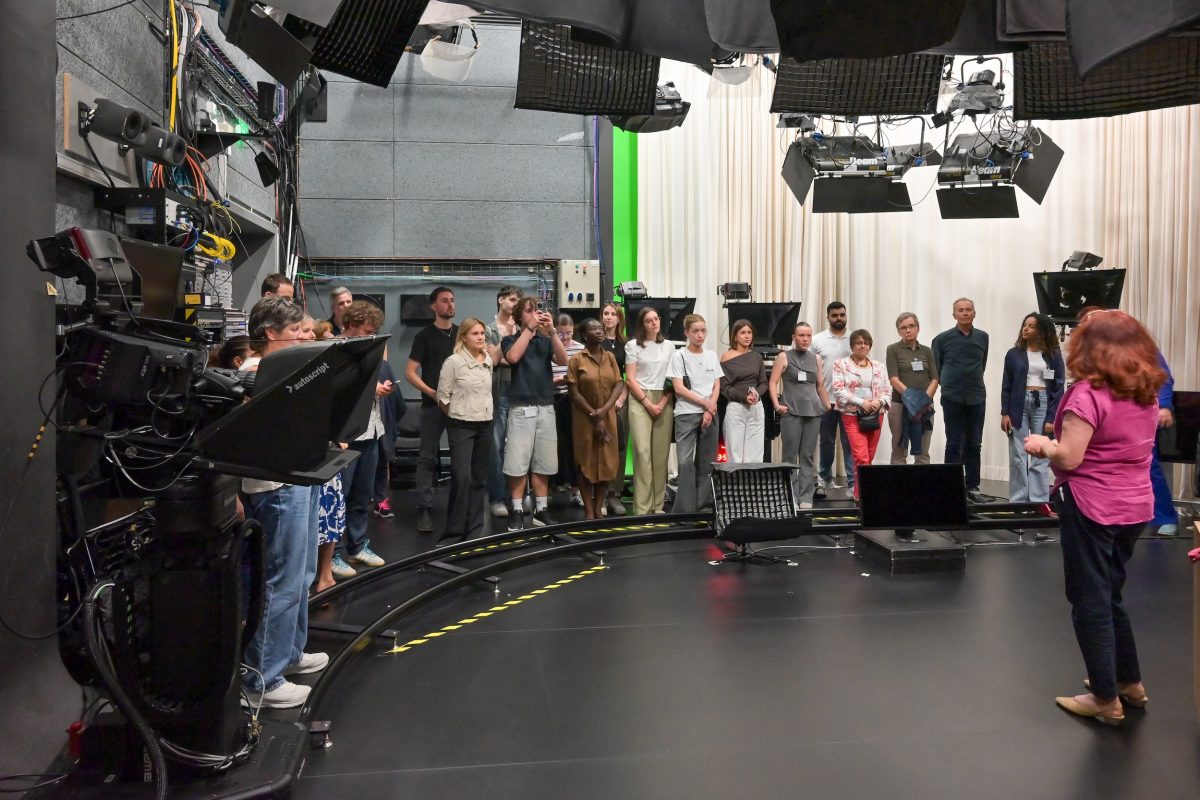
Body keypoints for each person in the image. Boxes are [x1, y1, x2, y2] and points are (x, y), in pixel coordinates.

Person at [1022, 309, 1165, 725]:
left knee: (1089, 601)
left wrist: (1042, 444)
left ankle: (1105, 699)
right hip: (1135, 506)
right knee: (1112, 593)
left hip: (1092, 506)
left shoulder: (1087, 394)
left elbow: (1070, 455)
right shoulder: (1145, 390)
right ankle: (1128, 683)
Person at [238, 297, 325, 708]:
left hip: (298, 477)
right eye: (294, 333)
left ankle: (288, 654)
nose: (302, 339)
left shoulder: (285, 370)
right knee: (281, 580)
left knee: (302, 573)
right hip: (274, 487)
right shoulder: (253, 374)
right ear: (269, 334)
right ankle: (262, 680)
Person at [331, 301, 391, 578]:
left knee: (362, 495)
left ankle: (356, 546)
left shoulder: (367, 349)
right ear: (351, 325)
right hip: (346, 435)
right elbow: (336, 391)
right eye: (367, 330)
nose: (371, 336)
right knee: (338, 497)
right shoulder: (334, 351)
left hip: (370, 429)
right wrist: (370, 390)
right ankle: (332, 554)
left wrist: (378, 389)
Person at [502, 297, 569, 530]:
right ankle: (518, 509)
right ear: (520, 316)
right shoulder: (510, 339)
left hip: (545, 406)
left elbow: (563, 360)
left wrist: (552, 332)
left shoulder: (544, 339)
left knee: (544, 460)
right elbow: (513, 357)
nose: (535, 314)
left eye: (537, 311)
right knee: (517, 462)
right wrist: (529, 329)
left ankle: (542, 508)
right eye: (529, 311)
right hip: (522, 407)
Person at [436, 318, 495, 544]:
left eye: (482, 333)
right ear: (464, 337)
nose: (481, 337)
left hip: (485, 423)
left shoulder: (488, 359)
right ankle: (453, 533)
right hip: (461, 425)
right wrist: (456, 415)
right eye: (475, 334)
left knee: (479, 479)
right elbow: (442, 396)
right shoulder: (453, 362)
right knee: (462, 478)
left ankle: (474, 531)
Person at [405, 287, 457, 533]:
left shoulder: (462, 335)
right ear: (434, 306)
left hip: (460, 407)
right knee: (427, 456)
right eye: (444, 301)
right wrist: (432, 393)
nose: (450, 305)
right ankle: (424, 508)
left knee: (461, 456)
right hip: (432, 406)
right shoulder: (424, 337)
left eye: (452, 300)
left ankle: (459, 507)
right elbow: (410, 373)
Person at [1001, 313, 1066, 503]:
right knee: (1018, 454)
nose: (1026, 329)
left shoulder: (1053, 353)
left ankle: (1039, 501)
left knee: (1041, 452)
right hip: (1018, 403)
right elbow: (1007, 384)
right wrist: (1005, 412)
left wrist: (1052, 418)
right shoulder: (1013, 354)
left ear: (1042, 331)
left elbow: (1058, 386)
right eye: (1024, 325)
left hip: (1043, 402)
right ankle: (1018, 500)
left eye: (1031, 326)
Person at [932, 298, 989, 504]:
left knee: (974, 443)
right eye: (960, 310)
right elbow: (936, 368)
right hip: (952, 397)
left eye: (968, 310)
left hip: (976, 397)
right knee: (954, 443)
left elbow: (981, 365)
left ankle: (973, 486)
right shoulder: (942, 339)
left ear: (974, 313)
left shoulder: (983, 337)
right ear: (954, 314)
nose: (965, 313)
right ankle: (951, 486)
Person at [771, 322, 832, 509]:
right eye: (801, 335)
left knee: (807, 456)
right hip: (791, 411)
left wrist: (827, 404)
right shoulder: (783, 356)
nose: (805, 339)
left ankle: (806, 496)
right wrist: (776, 405)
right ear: (794, 337)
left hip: (813, 412)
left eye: (808, 336)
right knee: (789, 456)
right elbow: (773, 383)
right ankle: (790, 495)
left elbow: (820, 385)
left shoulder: (816, 358)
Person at [567, 319, 623, 519]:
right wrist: (594, 414)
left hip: (607, 416)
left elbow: (618, 384)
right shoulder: (576, 360)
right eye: (593, 329)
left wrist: (604, 411)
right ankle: (589, 510)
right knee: (585, 462)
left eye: (600, 328)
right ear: (584, 335)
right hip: (584, 418)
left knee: (607, 462)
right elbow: (574, 393)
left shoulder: (610, 357)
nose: (598, 331)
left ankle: (599, 508)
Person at [668, 314, 721, 513]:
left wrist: (710, 407)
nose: (700, 335)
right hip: (686, 413)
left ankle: (702, 505)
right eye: (695, 331)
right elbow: (679, 388)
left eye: (703, 331)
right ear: (686, 333)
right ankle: (684, 510)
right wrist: (705, 404)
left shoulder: (712, 355)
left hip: (710, 413)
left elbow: (717, 384)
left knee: (707, 462)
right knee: (685, 462)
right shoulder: (678, 355)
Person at [625, 307, 674, 515]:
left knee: (660, 455)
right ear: (642, 325)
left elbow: (673, 379)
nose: (654, 323)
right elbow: (630, 379)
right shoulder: (633, 345)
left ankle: (658, 506)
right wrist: (647, 403)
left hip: (663, 397)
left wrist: (662, 403)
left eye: (656, 318)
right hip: (640, 398)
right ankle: (642, 508)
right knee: (642, 453)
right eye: (648, 320)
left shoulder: (670, 346)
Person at [831, 329, 890, 500]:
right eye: (859, 342)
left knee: (869, 457)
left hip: (875, 415)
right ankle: (861, 496)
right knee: (861, 456)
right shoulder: (840, 364)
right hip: (852, 415)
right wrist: (862, 402)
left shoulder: (879, 366)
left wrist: (879, 402)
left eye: (866, 343)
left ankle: (864, 491)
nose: (862, 346)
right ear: (852, 346)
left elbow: (887, 389)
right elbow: (838, 390)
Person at [885, 313, 939, 465]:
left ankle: (920, 487)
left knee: (923, 450)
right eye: (903, 327)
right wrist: (913, 399)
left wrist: (923, 400)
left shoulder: (927, 351)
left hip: (925, 407)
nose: (908, 330)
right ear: (899, 331)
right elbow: (893, 379)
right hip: (900, 405)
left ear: (918, 328)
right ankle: (899, 487)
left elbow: (935, 378)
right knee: (899, 449)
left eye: (911, 326)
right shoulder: (893, 349)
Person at [812, 301, 854, 494]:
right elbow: (810, 369)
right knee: (826, 442)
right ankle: (825, 479)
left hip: (850, 403)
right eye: (835, 315)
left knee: (849, 443)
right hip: (825, 400)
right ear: (828, 317)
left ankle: (853, 484)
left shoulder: (854, 339)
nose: (839, 318)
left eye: (842, 315)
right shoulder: (817, 340)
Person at [486, 285, 520, 517]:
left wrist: (508, 357)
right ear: (500, 300)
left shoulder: (524, 328)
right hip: (497, 393)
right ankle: (497, 497)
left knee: (517, 447)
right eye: (512, 299)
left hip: (519, 392)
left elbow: (520, 359)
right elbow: (493, 360)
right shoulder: (488, 330)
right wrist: (507, 337)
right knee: (496, 447)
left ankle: (515, 498)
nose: (515, 304)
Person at [721, 319, 768, 463]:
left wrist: (756, 394)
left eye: (749, 332)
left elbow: (763, 383)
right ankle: (735, 484)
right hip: (736, 407)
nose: (747, 336)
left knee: (755, 452)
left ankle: (752, 484)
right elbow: (724, 387)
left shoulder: (756, 357)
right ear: (735, 337)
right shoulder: (726, 357)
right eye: (742, 333)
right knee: (734, 452)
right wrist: (743, 397)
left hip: (756, 407)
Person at [552, 314, 587, 506]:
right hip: (552, 398)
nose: (565, 338)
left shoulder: (580, 350)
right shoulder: (550, 348)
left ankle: (576, 489)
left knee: (575, 447)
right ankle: (550, 490)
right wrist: (555, 381)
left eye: (568, 333)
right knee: (553, 447)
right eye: (560, 334)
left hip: (573, 401)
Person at [600, 302, 629, 515]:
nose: (609, 317)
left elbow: (630, 375)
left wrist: (622, 399)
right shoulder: (594, 341)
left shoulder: (625, 344)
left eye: (613, 314)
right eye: (605, 314)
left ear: (619, 319)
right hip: (599, 400)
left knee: (619, 446)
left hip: (619, 401)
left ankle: (614, 494)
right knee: (601, 446)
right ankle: (599, 494)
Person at [1149, 352, 1179, 536]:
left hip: (1139, 412)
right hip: (1107, 413)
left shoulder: (1141, 345)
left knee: (1149, 466)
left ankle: (1166, 517)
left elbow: (1164, 378)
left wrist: (1165, 405)